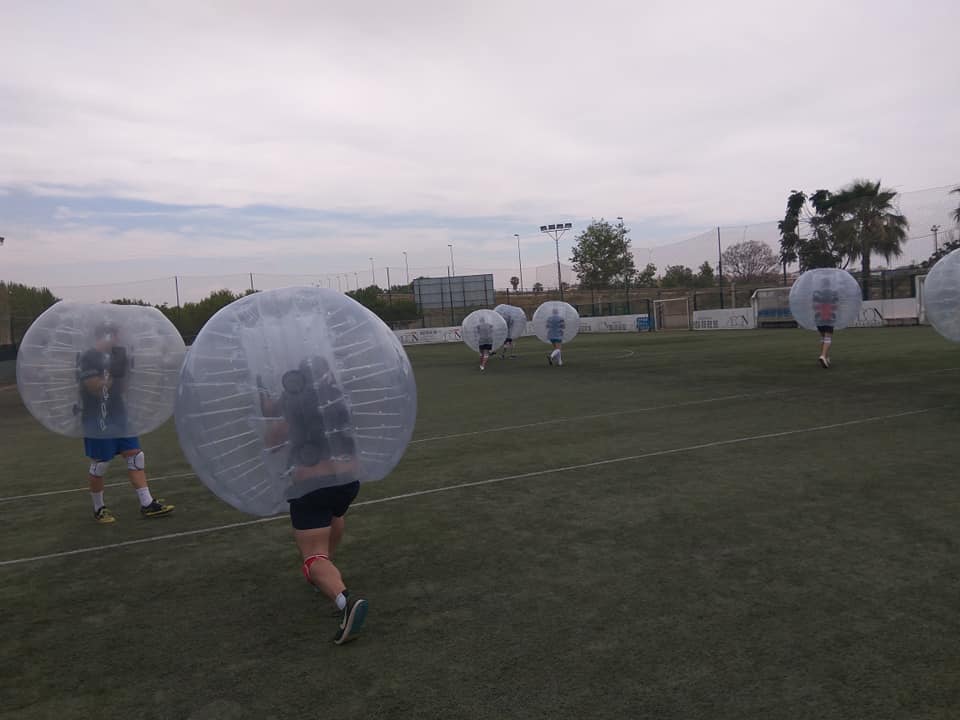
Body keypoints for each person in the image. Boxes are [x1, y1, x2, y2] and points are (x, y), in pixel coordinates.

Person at [260, 356, 368, 645]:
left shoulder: (295, 401)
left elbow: (272, 438)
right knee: (334, 516)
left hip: (312, 484)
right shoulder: (337, 397)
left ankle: (344, 602)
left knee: (312, 557)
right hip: (347, 482)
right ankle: (327, 569)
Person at [78, 321, 174, 523]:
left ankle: (147, 503)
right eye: (115, 336)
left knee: (136, 457)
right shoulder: (89, 357)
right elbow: (94, 387)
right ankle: (99, 508)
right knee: (100, 464)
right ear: (105, 336)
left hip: (119, 413)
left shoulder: (115, 355)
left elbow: (121, 390)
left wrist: (125, 372)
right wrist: (113, 371)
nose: (118, 340)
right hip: (97, 418)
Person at [812, 279, 839, 368]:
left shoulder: (816, 293)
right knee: (828, 338)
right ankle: (823, 355)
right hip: (829, 317)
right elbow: (836, 306)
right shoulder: (833, 293)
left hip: (818, 318)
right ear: (829, 285)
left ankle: (826, 357)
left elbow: (814, 306)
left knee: (823, 338)